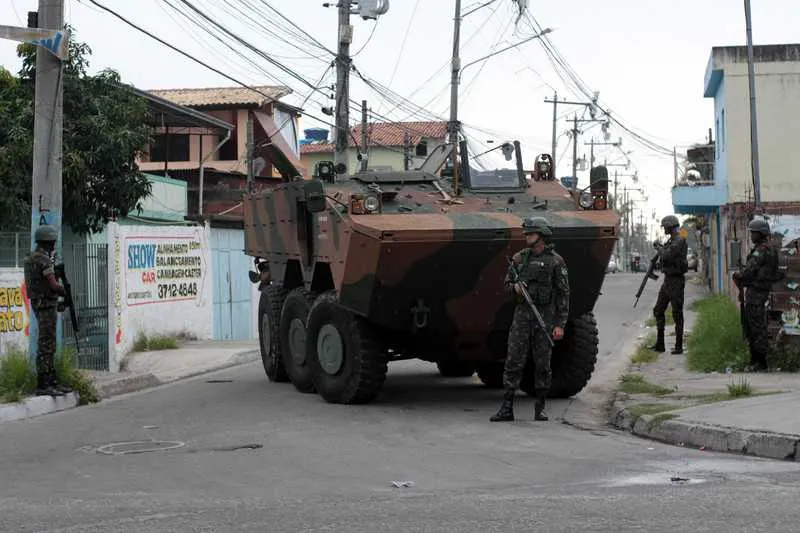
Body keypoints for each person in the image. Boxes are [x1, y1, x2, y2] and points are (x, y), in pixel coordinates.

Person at [490, 217, 570, 423]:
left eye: (531, 233)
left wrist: (560, 324)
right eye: (526, 234)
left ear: (541, 235)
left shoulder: (556, 261)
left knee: (543, 363)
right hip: (522, 317)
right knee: (513, 361)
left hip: (545, 318)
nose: (527, 236)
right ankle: (507, 406)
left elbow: (563, 294)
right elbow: (507, 285)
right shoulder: (519, 259)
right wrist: (515, 288)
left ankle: (540, 406)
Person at [23, 225, 71, 396]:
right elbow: (52, 284)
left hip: (38, 303)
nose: (53, 245)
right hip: (46, 305)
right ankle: (45, 384)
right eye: (52, 242)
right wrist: (64, 291)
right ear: (47, 242)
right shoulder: (43, 260)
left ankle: (51, 381)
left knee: (46, 343)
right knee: (47, 345)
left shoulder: (30, 258)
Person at [733, 218, 779, 371]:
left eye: (754, 233)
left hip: (756, 294)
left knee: (756, 329)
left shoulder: (761, 250)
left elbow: (749, 271)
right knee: (755, 327)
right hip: (760, 292)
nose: (751, 236)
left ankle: (760, 363)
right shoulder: (770, 248)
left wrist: (739, 275)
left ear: (761, 233)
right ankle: (756, 361)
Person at [650, 214, 689, 355]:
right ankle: (660, 344)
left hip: (676, 281)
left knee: (677, 314)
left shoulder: (679, 239)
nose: (664, 229)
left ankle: (679, 346)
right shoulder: (672, 240)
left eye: (665, 227)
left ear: (670, 226)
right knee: (658, 310)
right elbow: (665, 258)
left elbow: (667, 255)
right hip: (668, 280)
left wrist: (658, 248)